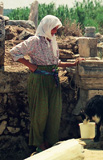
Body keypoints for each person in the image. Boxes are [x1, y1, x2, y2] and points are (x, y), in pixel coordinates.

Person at [10, 15, 83, 153]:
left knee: (54, 112)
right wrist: (31, 66)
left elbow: (56, 63)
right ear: (47, 27)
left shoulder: (52, 42)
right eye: (54, 29)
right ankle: (39, 143)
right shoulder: (34, 41)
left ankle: (50, 141)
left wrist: (73, 63)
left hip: (53, 80)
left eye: (56, 29)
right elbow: (14, 52)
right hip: (39, 79)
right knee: (40, 113)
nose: (55, 32)